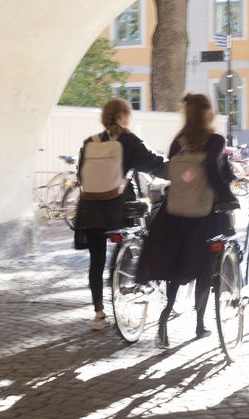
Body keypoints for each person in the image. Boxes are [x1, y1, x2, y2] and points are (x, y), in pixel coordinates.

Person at [135, 93, 238, 348]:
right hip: (206, 213)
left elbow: (173, 174)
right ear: (207, 113)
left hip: (175, 212)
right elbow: (215, 172)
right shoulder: (215, 140)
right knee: (205, 268)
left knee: (176, 267)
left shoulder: (178, 141)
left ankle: (164, 319)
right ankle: (200, 324)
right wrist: (228, 196)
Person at [75, 98, 166, 330]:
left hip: (90, 208)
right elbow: (154, 164)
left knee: (96, 261)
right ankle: (128, 291)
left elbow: (81, 176)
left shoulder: (90, 142)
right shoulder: (129, 141)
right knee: (134, 241)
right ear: (125, 117)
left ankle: (98, 312)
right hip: (119, 209)